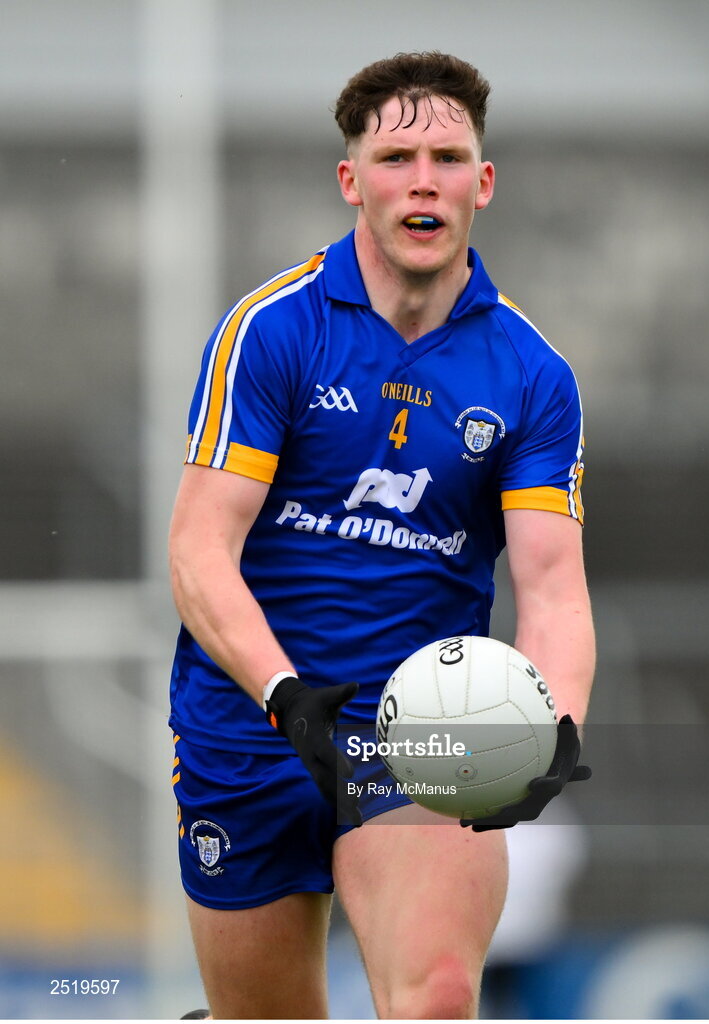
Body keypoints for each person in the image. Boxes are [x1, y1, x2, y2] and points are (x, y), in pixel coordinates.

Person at [168, 51, 595, 1020]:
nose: (422, 180)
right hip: (251, 723)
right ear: (350, 179)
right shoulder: (272, 331)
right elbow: (198, 554)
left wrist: (552, 731)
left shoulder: (530, 376)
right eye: (395, 156)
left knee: (437, 998)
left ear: (481, 184)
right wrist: (287, 698)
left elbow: (554, 588)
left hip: (421, 735)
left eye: (447, 156)